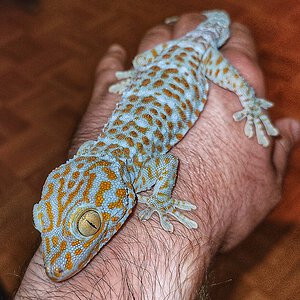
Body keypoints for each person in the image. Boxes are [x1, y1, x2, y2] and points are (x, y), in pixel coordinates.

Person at [15, 13, 300, 299]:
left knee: (238, 84)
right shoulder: (105, 163)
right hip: (164, 62)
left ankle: (249, 102)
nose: (56, 264)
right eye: (44, 221)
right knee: (141, 63)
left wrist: (161, 201)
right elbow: (96, 155)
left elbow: (168, 162)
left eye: (90, 225)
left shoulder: (133, 172)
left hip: (197, 56)